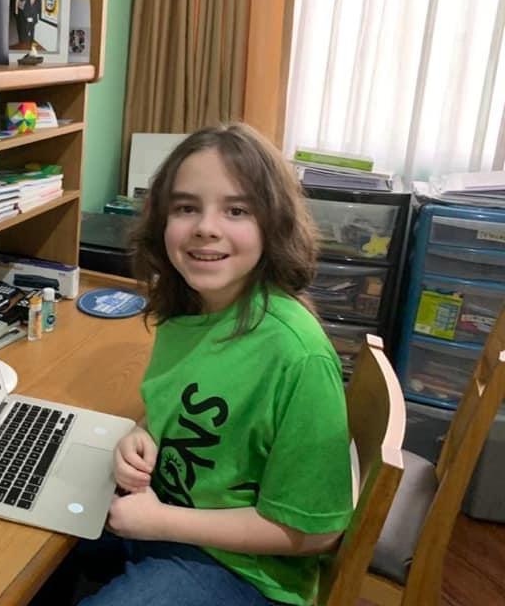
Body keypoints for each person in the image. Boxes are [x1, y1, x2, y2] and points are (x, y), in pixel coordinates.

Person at [48, 123, 353, 606]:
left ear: (272, 224)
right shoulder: (190, 305)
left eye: (236, 210)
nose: (205, 227)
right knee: (32, 519)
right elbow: (184, 402)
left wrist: (161, 521)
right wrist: (143, 433)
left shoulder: (297, 355)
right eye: (186, 207)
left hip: (245, 570)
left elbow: (315, 532)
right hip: (169, 514)